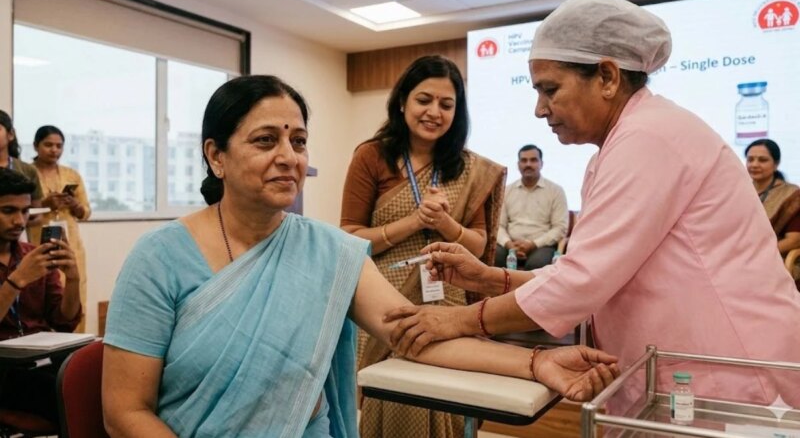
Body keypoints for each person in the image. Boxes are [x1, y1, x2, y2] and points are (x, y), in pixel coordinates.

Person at [101, 75, 619, 438]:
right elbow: (125, 412)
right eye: (265, 141)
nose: (288, 157)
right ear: (216, 156)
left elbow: (414, 334)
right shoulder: (160, 258)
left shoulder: (327, 251)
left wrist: (537, 361)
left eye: (298, 141)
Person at [385, 0, 800, 413]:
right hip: (684, 368)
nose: (539, 109)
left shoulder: (649, 138)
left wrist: (457, 320)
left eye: (550, 89)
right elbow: (583, 271)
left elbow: (580, 281)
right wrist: (490, 278)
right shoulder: (618, 147)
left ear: (606, 77)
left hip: (730, 369)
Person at [340, 55, 506, 437]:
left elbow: (479, 245)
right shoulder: (372, 156)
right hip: (383, 301)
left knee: (445, 395)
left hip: (447, 301)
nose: (434, 112)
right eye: (424, 100)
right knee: (393, 398)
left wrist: (445, 224)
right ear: (403, 102)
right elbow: (350, 235)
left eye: (446, 104)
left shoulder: (470, 168)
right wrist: (413, 222)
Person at [0, 168, 82, 422]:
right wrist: (17, 280)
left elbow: (63, 321)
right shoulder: (29, 264)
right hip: (5, 368)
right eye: (8, 211)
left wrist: (73, 279)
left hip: (40, 358)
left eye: (25, 211)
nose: (19, 221)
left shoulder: (32, 254)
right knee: (71, 395)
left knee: (99, 374)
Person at [29, 125, 91, 331]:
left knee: (74, 293)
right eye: (48, 145)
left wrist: (75, 205)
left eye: (59, 146)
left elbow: (86, 213)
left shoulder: (71, 175)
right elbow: (21, 211)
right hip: (38, 243)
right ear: (36, 146)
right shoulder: (27, 173)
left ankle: (77, 345)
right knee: (42, 295)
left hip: (70, 245)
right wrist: (45, 203)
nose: (54, 150)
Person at [495, 144, 567, 270]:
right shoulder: (506, 191)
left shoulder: (556, 191)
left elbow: (560, 228)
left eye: (533, 160)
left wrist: (533, 244)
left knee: (536, 264)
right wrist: (509, 244)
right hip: (510, 244)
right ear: (518, 165)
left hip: (540, 246)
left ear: (541, 164)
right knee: (492, 255)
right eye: (524, 160)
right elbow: (498, 225)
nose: (528, 164)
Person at [745, 139, 800, 285]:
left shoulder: (791, 195)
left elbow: (795, 240)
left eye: (762, 160)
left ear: (776, 164)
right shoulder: (740, 191)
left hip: (774, 259)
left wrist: (757, 253)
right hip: (741, 255)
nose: (754, 164)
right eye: (750, 159)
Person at [0, 110, 44, 232]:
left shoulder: (27, 170)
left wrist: (15, 222)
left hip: (17, 237)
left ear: (10, 134)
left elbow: (38, 215)